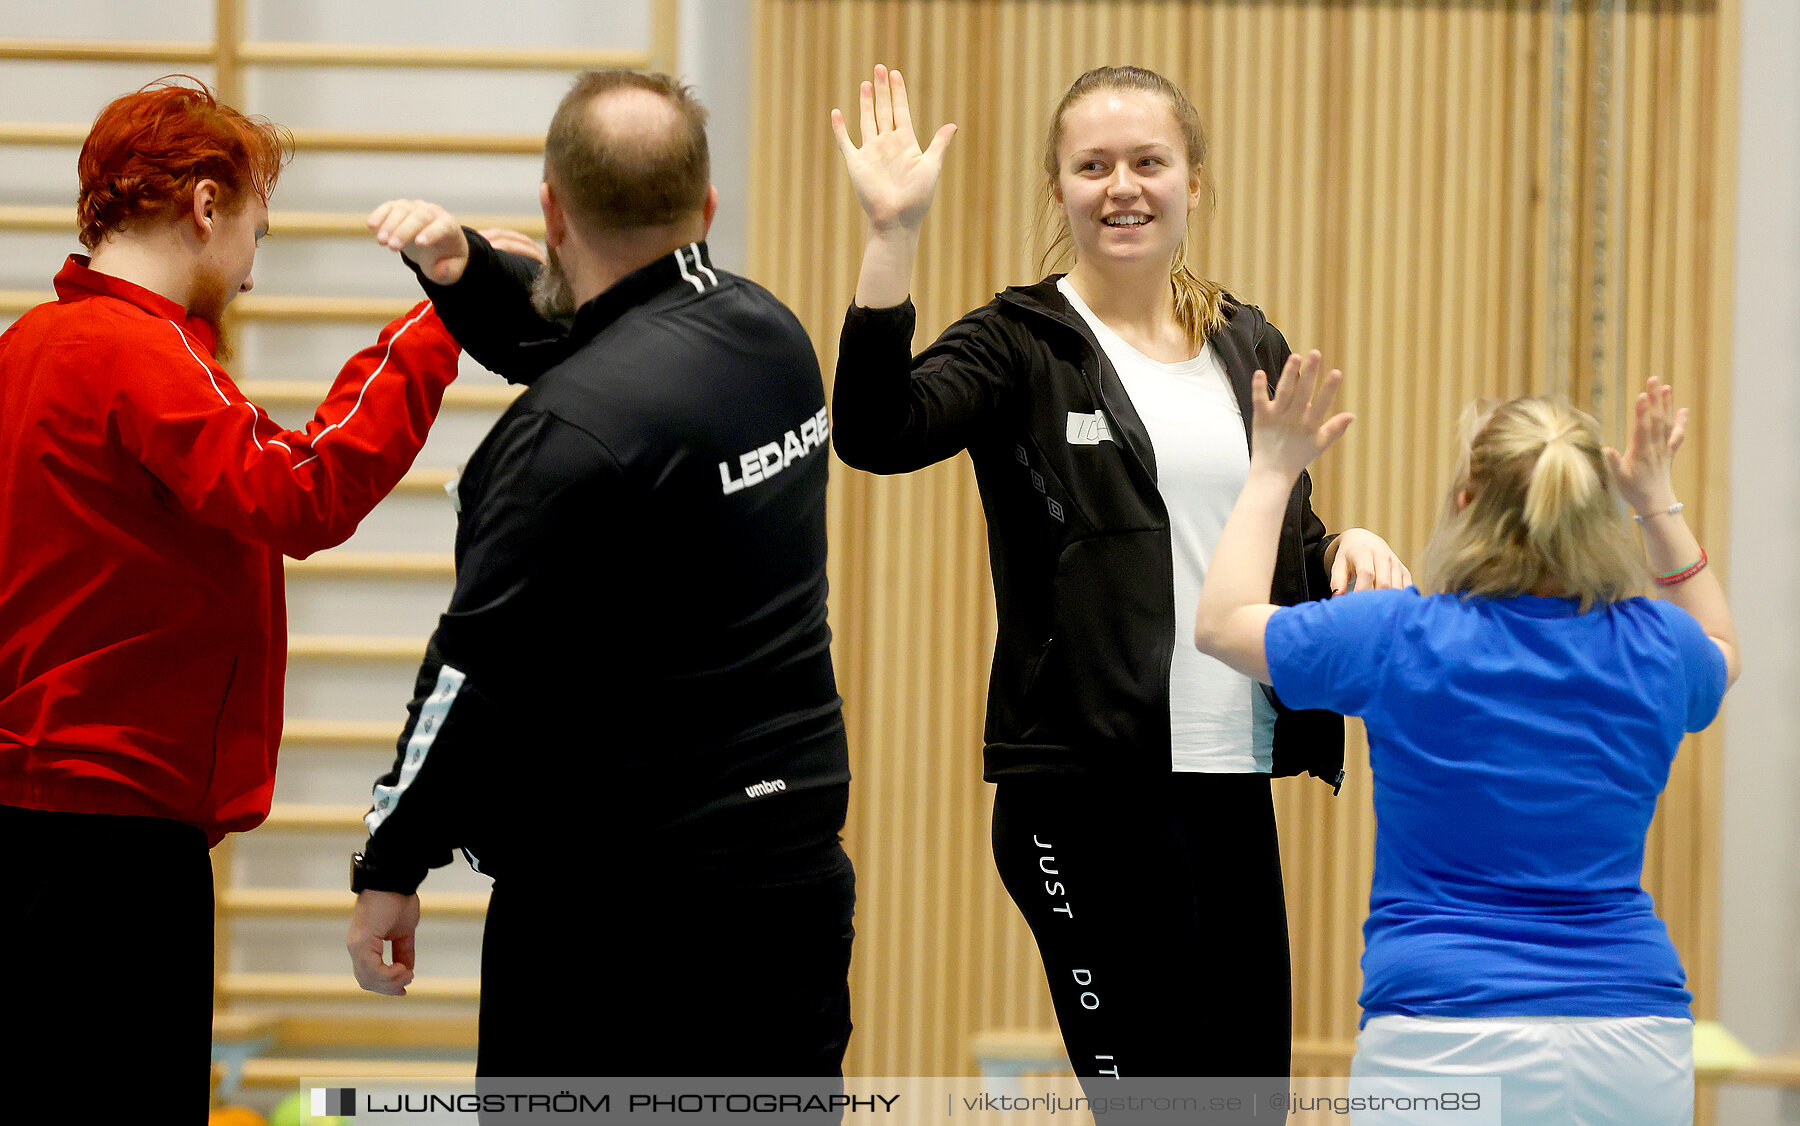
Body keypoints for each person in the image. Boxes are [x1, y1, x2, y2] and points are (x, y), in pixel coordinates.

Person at [829, 63, 1409, 1082]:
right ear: (1058, 189)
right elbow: (875, 433)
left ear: (1193, 178)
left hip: (1227, 776)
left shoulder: (1245, 339)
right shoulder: (1020, 344)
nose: (1122, 186)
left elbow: (1267, 538)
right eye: (1092, 166)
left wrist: (1341, 547)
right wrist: (892, 237)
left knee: (1243, 1106)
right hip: (1083, 795)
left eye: (1149, 161)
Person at [345, 70, 855, 1081]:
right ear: (705, 207)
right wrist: (468, 275)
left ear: (552, 207)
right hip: (790, 868)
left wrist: (390, 864)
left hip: (620, 905)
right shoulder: (771, 335)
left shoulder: (563, 440)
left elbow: (470, 674)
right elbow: (611, 352)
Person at [0, 78, 462, 1114]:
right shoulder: (143, 352)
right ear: (206, 206)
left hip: (29, 818)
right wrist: (439, 324)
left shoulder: (23, 350)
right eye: (257, 228)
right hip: (110, 846)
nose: (254, 269)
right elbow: (302, 493)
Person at [1194, 366, 1736, 1125]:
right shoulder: (1657, 646)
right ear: (1597, 517)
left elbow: (1221, 623)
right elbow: (1722, 645)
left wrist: (1275, 469)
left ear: (1465, 507)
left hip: (1445, 1037)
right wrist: (1656, 502)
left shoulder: (1401, 634)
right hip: (1635, 1038)